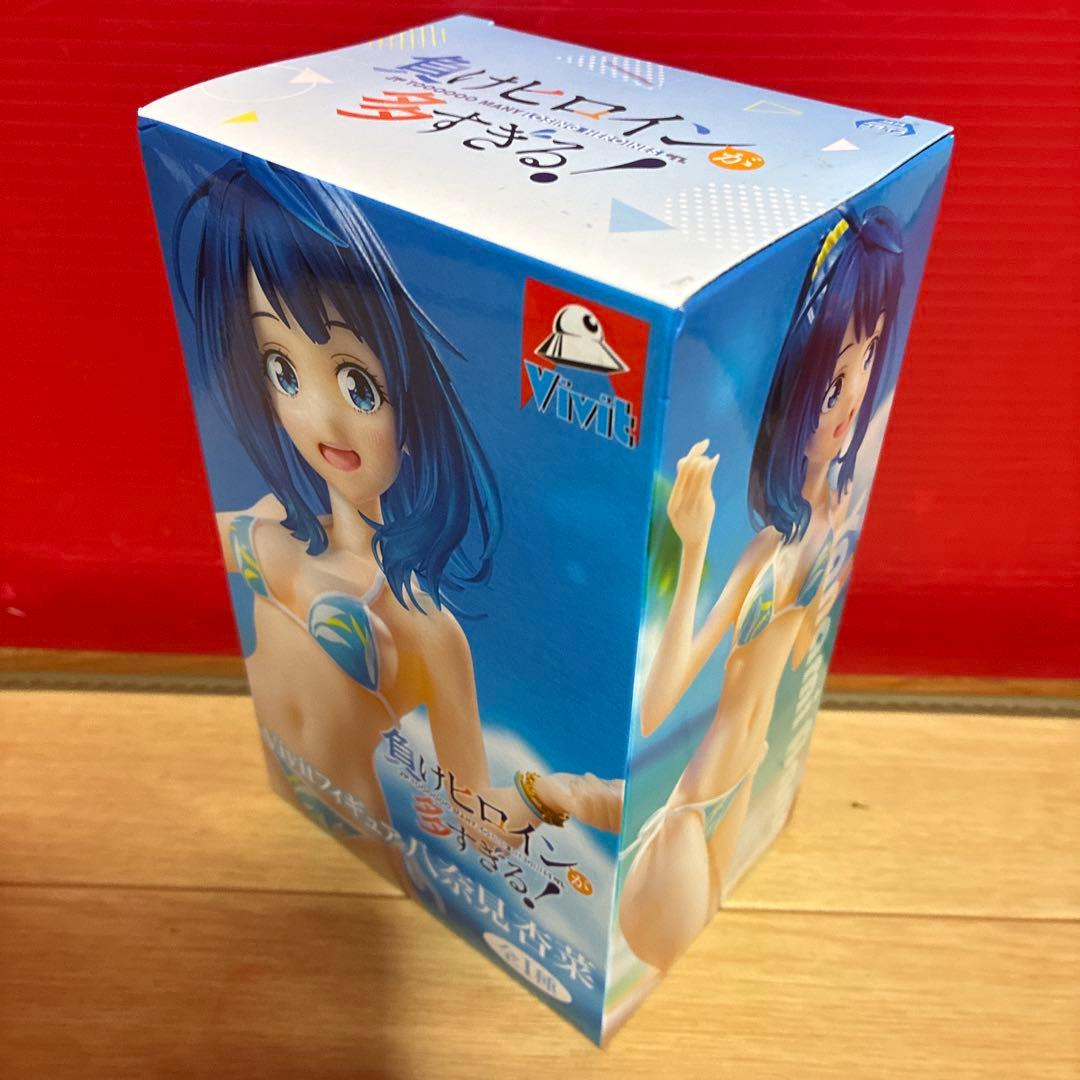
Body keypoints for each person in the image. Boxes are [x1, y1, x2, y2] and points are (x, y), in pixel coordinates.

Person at [173, 157, 621, 892]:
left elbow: (475, 821)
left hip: (364, 858)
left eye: (358, 385)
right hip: (273, 822)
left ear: (411, 406)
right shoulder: (269, 519)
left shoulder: (429, 629)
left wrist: (559, 794)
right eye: (284, 371)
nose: (322, 419)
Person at [618, 208, 905, 974]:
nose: (851, 400)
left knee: (718, 954)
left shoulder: (833, 522)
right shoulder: (765, 550)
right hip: (690, 807)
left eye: (868, 364)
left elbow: (802, 653)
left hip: (745, 781)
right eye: (832, 382)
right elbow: (657, 706)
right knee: (664, 963)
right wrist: (694, 546)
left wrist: (824, 586)